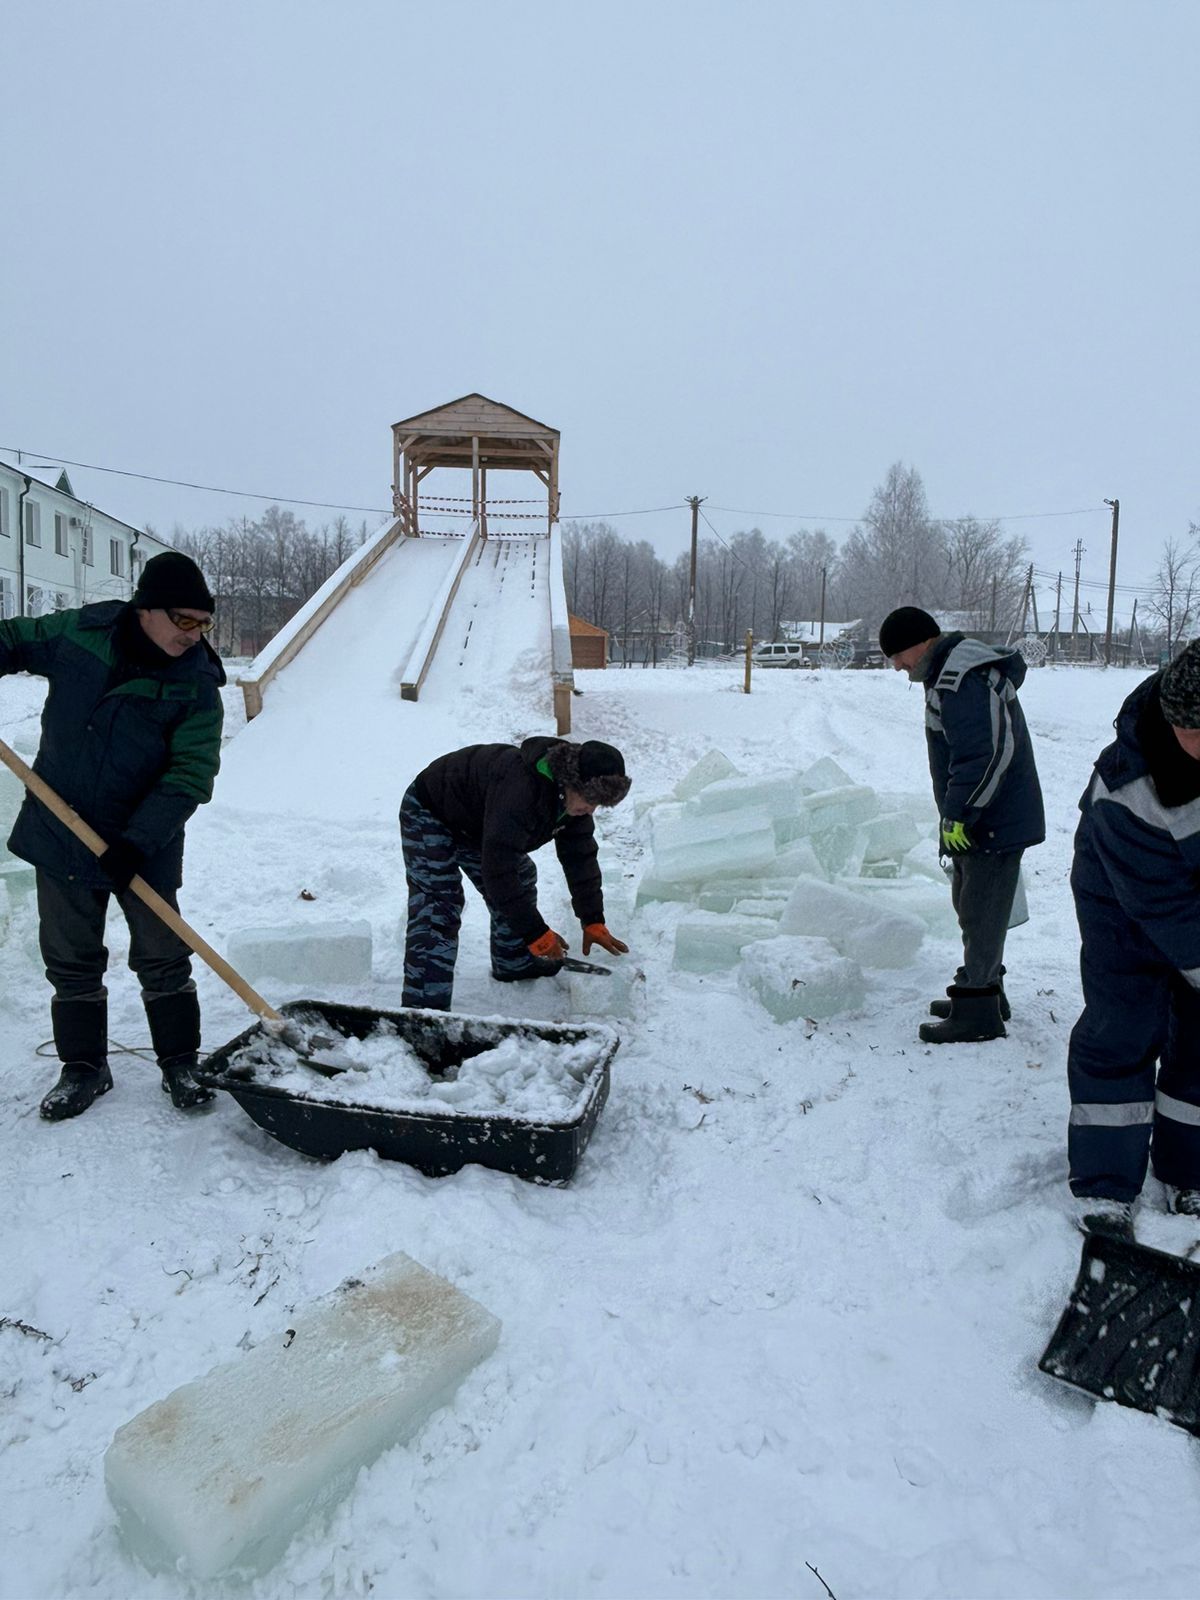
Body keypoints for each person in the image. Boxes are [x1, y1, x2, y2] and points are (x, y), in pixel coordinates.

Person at [0, 551, 225, 1120]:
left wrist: (139, 840)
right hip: (60, 827)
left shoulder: (197, 682)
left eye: (204, 623)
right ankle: (83, 1068)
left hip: (141, 838)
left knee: (163, 951)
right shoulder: (81, 634)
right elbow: (15, 638)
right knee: (70, 956)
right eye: (184, 620)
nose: (195, 635)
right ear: (145, 609)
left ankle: (180, 1062)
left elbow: (190, 773)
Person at [1066, 640, 1200, 1240]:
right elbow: (1166, 908)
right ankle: (1105, 1184)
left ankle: (1188, 1167)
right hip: (1122, 899)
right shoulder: (1133, 786)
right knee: (1124, 1025)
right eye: (1187, 729)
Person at [878, 606, 1044, 1043]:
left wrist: (960, 812)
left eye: (897, 654)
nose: (897, 665)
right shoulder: (949, 671)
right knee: (973, 906)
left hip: (990, 818)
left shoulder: (961, 678)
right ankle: (984, 989)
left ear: (920, 641)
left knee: (982, 910)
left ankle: (979, 1011)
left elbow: (986, 754)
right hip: (984, 816)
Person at [399, 736, 632, 1010]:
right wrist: (535, 932)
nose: (591, 809)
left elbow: (580, 857)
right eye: (590, 799)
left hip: (477, 824)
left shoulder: (574, 805)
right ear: (570, 781)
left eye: (599, 804)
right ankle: (424, 1009)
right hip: (431, 812)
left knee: (520, 877)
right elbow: (499, 871)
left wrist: (592, 918)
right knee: (439, 905)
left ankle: (513, 961)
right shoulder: (522, 790)